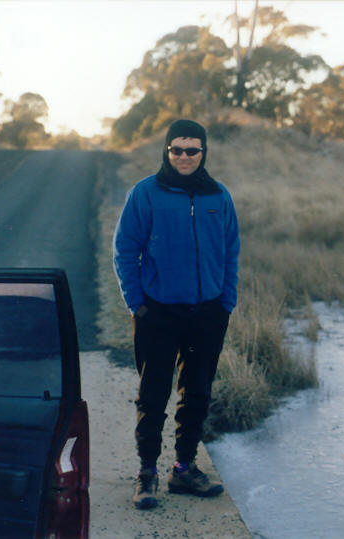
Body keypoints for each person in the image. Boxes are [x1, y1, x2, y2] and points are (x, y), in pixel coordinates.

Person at [113, 119, 240, 510]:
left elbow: (231, 251)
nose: (184, 157)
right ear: (167, 151)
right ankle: (147, 473)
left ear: (204, 153)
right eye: (177, 150)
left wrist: (226, 301)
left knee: (197, 392)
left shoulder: (218, 196)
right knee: (153, 395)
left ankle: (184, 469)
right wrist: (138, 305)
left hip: (208, 313)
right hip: (158, 313)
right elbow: (124, 252)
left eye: (192, 150)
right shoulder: (145, 194)